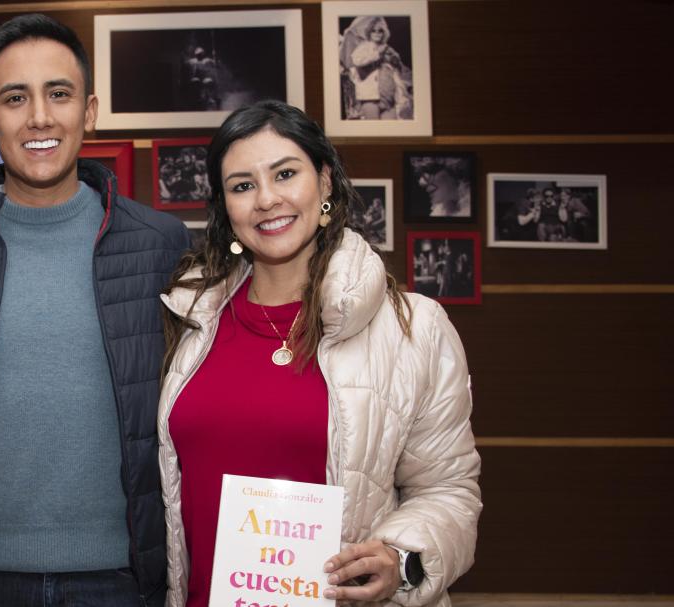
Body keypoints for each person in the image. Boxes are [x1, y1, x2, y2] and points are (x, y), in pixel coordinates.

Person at [0, 14, 189, 607]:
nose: (40, 117)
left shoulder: (163, 245)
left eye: (59, 94)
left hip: (125, 580)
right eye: (15, 98)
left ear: (89, 111)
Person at [157, 100, 481, 606]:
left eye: (285, 174)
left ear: (325, 182)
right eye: (242, 185)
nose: (266, 199)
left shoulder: (412, 327)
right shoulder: (188, 319)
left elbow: (449, 490)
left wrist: (400, 556)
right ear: (225, 207)